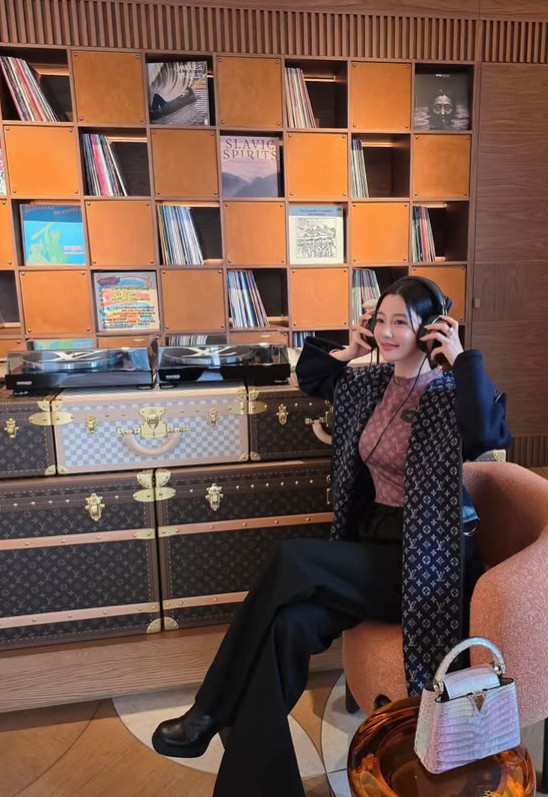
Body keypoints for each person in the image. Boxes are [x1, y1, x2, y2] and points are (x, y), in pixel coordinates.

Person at [151, 275, 511, 797]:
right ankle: (259, 786)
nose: (386, 333)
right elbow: (313, 377)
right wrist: (348, 350)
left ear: (431, 328)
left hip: (424, 560)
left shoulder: (450, 392)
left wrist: (459, 358)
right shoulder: (370, 383)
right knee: (288, 627)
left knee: (292, 559)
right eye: (380, 320)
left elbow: (488, 434)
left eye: (400, 323)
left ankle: (208, 710)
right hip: (369, 545)